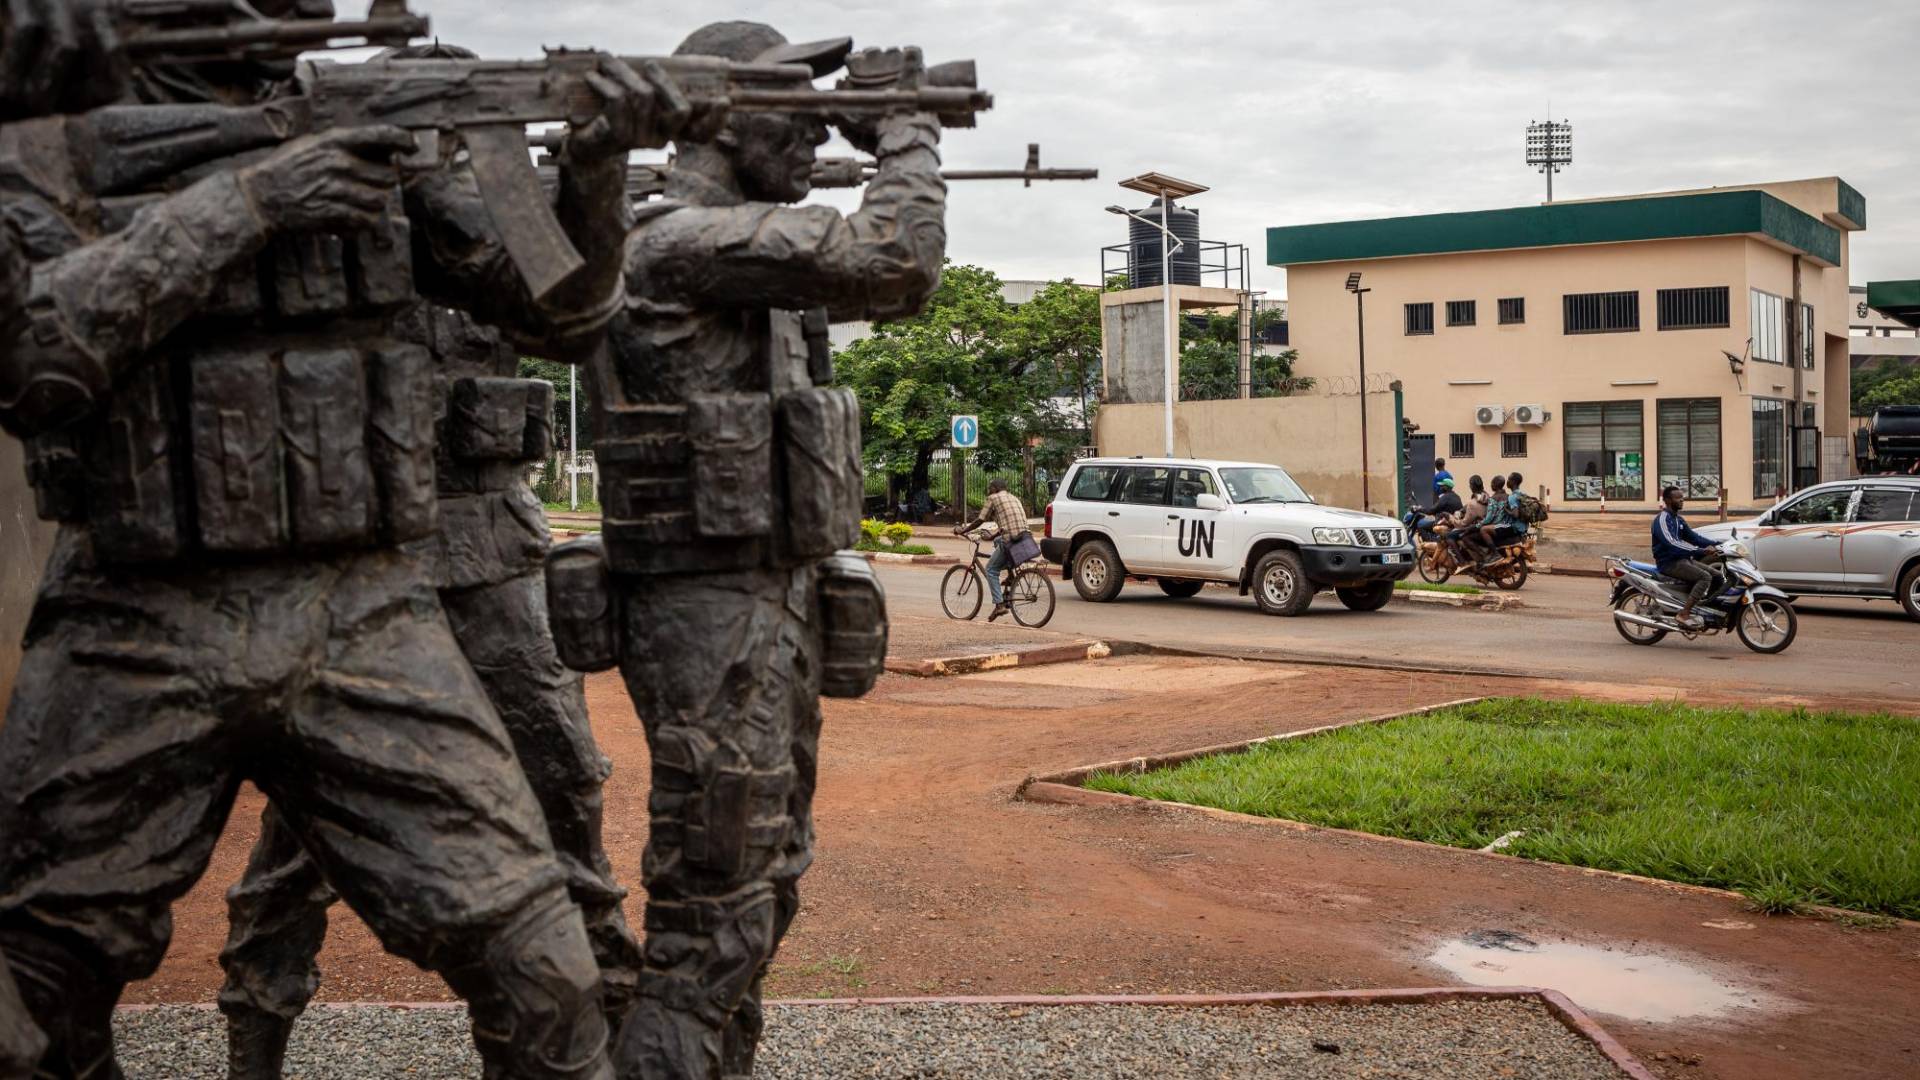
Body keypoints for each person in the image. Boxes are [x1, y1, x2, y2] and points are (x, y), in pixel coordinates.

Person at [0, 16, 683, 1076]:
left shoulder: (373, 135)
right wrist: (257, 200)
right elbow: (35, 359)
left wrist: (597, 165)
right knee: (30, 1012)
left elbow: (563, 310)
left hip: (364, 611)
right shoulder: (44, 145)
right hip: (134, 615)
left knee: (546, 979)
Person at [580, 21, 937, 1080]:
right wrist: (905, 134)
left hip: (765, 605)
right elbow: (897, 261)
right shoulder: (683, 240)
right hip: (707, 615)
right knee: (713, 911)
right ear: (721, 111)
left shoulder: (740, 246)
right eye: (802, 105)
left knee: (767, 880)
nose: (822, 124)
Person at [959, 477, 1030, 621]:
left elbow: (980, 520)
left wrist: (964, 530)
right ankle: (1010, 575)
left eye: (989, 488)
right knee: (998, 540)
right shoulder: (1013, 498)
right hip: (1025, 538)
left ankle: (999, 605)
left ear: (995, 489)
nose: (988, 491)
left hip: (1010, 539)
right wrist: (992, 536)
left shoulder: (993, 498)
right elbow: (1009, 524)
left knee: (991, 570)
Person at [1653, 484, 1721, 629]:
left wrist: (1718, 543)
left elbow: (1694, 538)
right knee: (1705, 577)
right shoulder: (1662, 520)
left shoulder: (1678, 519)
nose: (1682, 500)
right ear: (1668, 500)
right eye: (1678, 498)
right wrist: (1701, 551)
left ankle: (1708, 609)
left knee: (1717, 575)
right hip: (1669, 563)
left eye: (1682, 497)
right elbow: (1672, 544)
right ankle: (1684, 614)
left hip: (1683, 560)